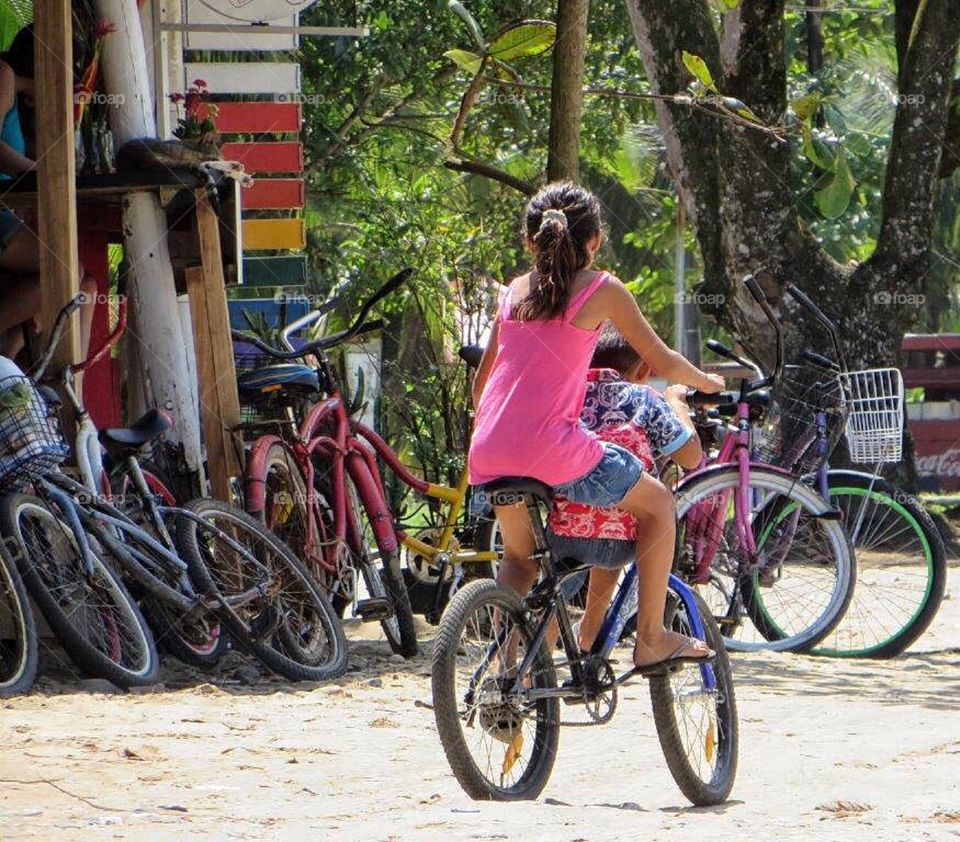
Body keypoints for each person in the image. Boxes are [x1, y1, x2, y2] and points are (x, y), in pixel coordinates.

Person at [469, 181, 724, 673]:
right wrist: (705, 380)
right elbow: (661, 359)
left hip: (490, 450)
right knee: (659, 504)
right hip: (555, 449)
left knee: (520, 560)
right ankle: (650, 637)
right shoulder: (601, 289)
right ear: (595, 241)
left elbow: (482, 389)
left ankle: (506, 671)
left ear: (530, 241)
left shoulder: (512, 294)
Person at [546, 328, 704, 653]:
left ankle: (538, 666)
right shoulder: (642, 396)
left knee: (554, 590)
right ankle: (628, 634)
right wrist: (676, 403)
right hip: (616, 541)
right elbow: (690, 457)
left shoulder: (563, 394)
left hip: (556, 532)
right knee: (629, 515)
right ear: (643, 370)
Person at [0, 25, 97, 361]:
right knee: (65, 273)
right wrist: (39, 172)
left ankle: (62, 392)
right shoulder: (3, 75)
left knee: (86, 289)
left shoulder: (17, 91)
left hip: (7, 211)